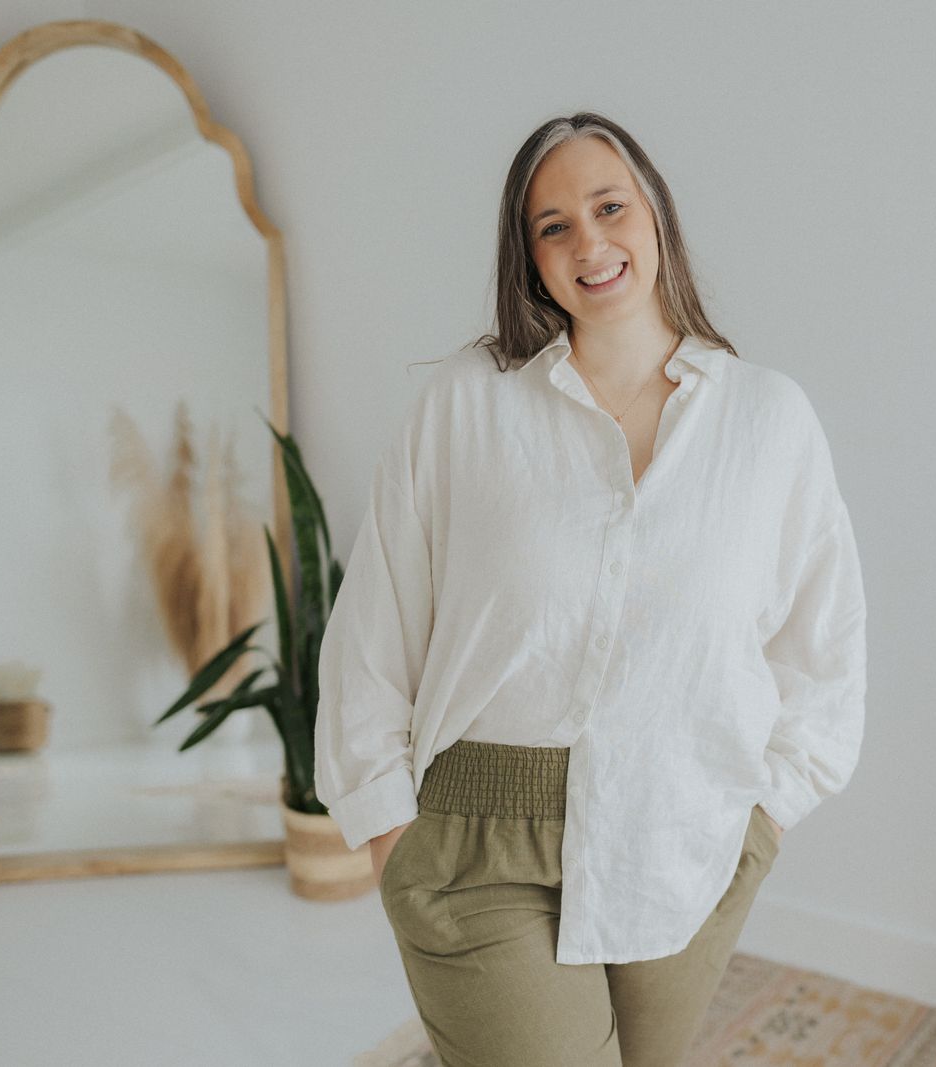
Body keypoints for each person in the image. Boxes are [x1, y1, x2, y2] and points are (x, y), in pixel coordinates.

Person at [314, 111, 867, 1067]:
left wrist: (760, 821)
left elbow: (825, 642)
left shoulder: (767, 419)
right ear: (528, 258)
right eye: (553, 224)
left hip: (689, 830)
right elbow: (376, 626)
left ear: (656, 217)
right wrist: (388, 830)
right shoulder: (467, 403)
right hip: (477, 838)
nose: (590, 241)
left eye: (609, 207)